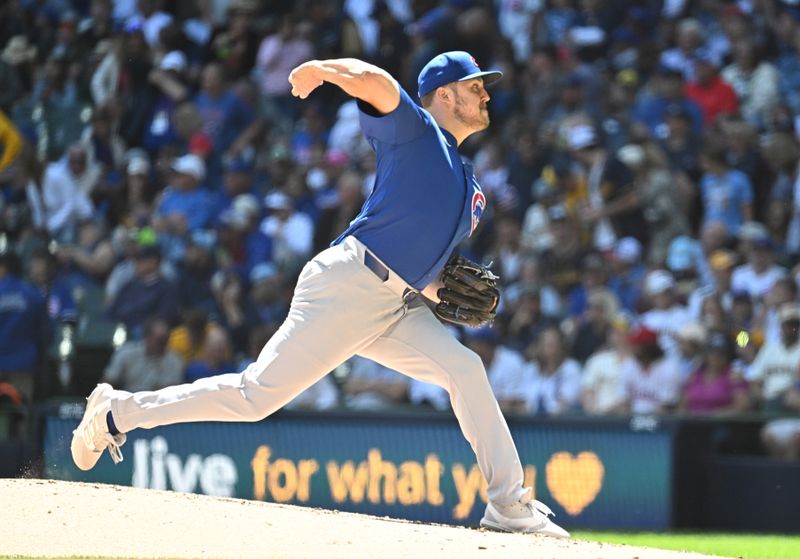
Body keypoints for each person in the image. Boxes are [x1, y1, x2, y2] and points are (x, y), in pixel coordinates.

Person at [70, 51, 569, 538]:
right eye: (475, 86)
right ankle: (117, 413)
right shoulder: (414, 130)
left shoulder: (468, 181)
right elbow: (373, 80)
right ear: (444, 93)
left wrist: (446, 293)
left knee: (466, 370)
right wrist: (322, 70)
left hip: (395, 304)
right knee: (254, 398)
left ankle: (507, 504)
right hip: (348, 285)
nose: (486, 95)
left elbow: (424, 264)